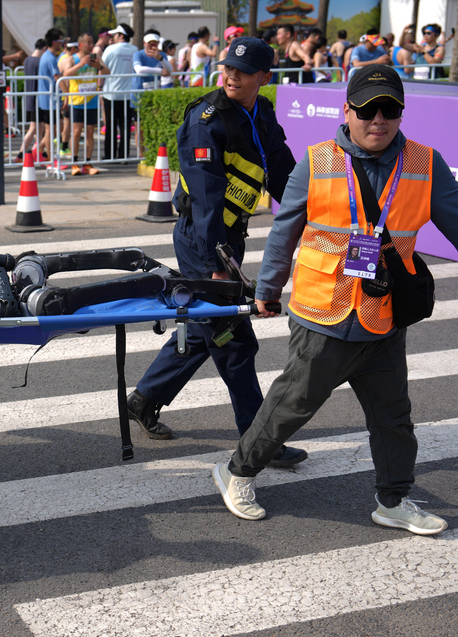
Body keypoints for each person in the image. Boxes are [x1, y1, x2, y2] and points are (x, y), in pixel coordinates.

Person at [212, 64, 458, 535]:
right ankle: (237, 472)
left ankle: (393, 499)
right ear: (348, 109)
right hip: (323, 315)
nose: (379, 119)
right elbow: (283, 234)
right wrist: (268, 290)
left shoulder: (424, 163)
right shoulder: (316, 161)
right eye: (368, 109)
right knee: (293, 403)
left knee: (393, 416)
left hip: (384, 315)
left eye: (390, 109)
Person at [126, 36, 307, 468]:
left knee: (207, 331)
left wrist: (317, 217)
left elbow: (284, 172)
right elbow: (206, 200)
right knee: (234, 341)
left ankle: (145, 397)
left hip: (230, 239)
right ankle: (259, 439)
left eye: (242, 72)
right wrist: (214, 265)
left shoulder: (262, 112)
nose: (230, 75)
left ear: (264, 78)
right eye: (227, 68)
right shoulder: (205, 121)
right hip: (201, 242)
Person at [62, 33, 109, 176]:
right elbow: (66, 75)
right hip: (77, 101)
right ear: (81, 44)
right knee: (76, 133)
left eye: (92, 42)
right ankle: (74, 163)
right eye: (89, 42)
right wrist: (81, 64)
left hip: (92, 101)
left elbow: (107, 72)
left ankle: (87, 163)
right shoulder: (72, 58)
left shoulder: (96, 57)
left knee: (90, 133)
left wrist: (98, 66)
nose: (91, 45)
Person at [101, 23, 137, 161]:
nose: (114, 37)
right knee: (125, 126)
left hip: (111, 93)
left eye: (115, 34)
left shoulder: (111, 49)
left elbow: (102, 68)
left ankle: (110, 155)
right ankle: (124, 155)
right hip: (128, 94)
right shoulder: (134, 50)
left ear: (121, 35)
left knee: (110, 125)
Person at [37, 28, 65, 165]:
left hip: (48, 100)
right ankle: (49, 159)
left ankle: (40, 148)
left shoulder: (47, 56)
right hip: (49, 100)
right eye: (60, 41)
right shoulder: (50, 58)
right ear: (54, 42)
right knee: (51, 129)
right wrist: (66, 95)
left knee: (57, 127)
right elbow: (57, 78)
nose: (62, 43)